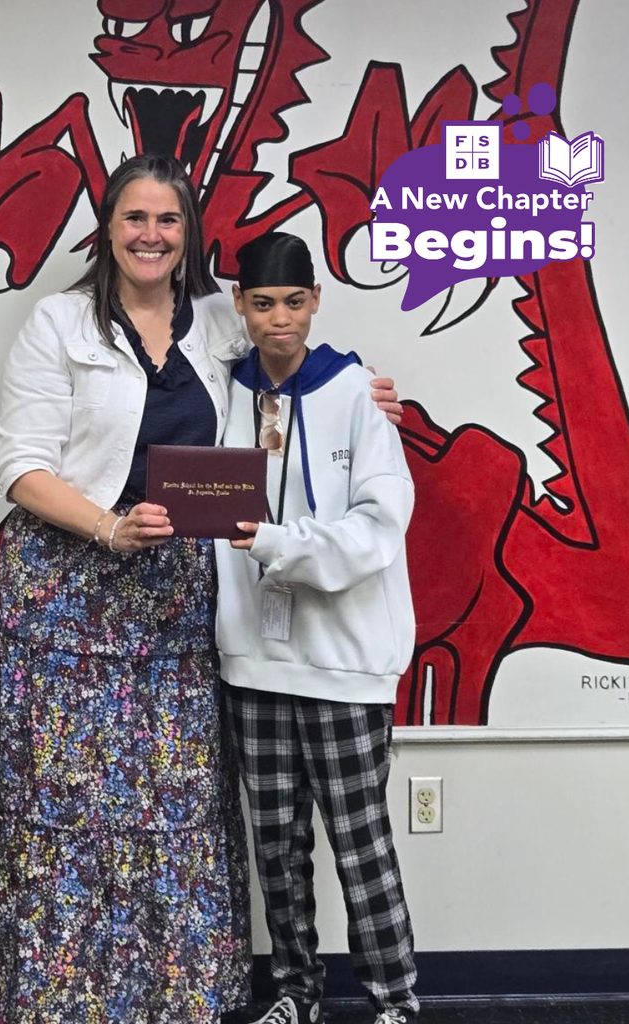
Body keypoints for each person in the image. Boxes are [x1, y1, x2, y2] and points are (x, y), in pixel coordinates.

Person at [0, 156, 404, 1024]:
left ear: (188, 233)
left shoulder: (220, 325)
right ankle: (61, 996)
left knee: (179, 800)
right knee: (65, 802)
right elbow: (20, 465)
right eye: (135, 218)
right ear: (107, 228)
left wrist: (358, 391)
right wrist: (106, 526)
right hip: (66, 600)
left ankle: (174, 996)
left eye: (168, 220)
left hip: (181, 600)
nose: (150, 235)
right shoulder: (59, 323)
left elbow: (289, 367)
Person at [215, 232, 418, 1024]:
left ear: (316, 302)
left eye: (293, 302)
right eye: (262, 303)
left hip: (346, 663)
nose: (279, 320)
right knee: (275, 847)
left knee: (360, 846)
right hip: (252, 661)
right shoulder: (218, 391)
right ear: (238, 304)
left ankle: (393, 1001)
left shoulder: (357, 395)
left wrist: (277, 543)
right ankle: (296, 994)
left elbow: (378, 529)